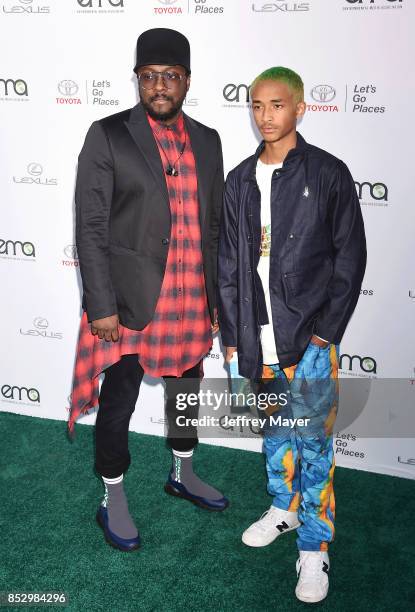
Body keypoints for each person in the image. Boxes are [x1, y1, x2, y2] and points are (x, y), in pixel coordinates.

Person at [68, 28, 228, 553]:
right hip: (131, 304)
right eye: (149, 76)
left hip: (190, 301)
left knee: (187, 395)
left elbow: (218, 228)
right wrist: (101, 306)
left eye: (171, 76)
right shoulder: (108, 134)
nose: (160, 86)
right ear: (138, 79)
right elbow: (90, 226)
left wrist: (220, 301)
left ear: (187, 81)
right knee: (118, 405)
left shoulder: (208, 140)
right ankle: (111, 495)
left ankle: (182, 473)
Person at [217, 67, 366, 603]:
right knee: (275, 434)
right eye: (256, 106)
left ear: (300, 108)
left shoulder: (327, 173)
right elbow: (229, 267)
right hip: (259, 341)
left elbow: (350, 258)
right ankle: (283, 508)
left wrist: (325, 336)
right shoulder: (237, 180)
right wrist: (234, 338)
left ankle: (314, 546)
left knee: (315, 444)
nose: (265, 117)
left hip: (310, 340)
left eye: (276, 105)